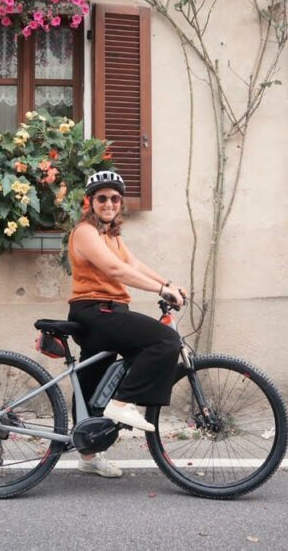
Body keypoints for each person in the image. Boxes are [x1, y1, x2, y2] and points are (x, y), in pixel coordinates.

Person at [67, 169, 187, 478]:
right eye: (102, 198)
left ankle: (89, 454)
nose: (109, 203)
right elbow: (114, 270)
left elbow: (132, 264)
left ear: (120, 203)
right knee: (164, 341)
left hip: (108, 312)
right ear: (90, 202)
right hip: (96, 312)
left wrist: (168, 283)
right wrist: (161, 291)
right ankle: (121, 404)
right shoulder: (85, 232)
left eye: (115, 198)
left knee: (93, 384)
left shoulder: (111, 235)